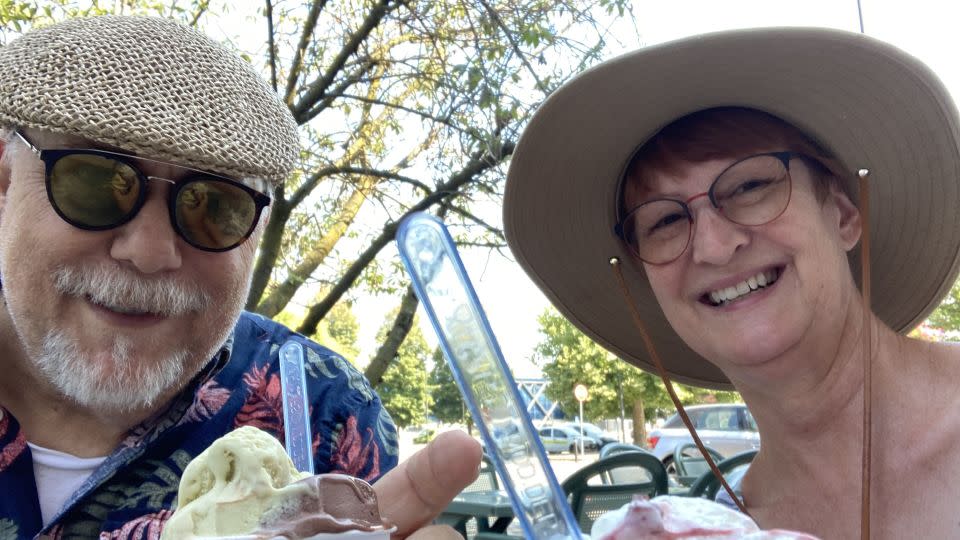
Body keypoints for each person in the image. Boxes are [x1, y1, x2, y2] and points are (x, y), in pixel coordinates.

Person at [0, 16, 479, 539]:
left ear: (258, 229)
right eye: (94, 181)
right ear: (4, 181)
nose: (150, 251)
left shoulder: (328, 412)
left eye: (214, 204)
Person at [503, 27, 960, 540]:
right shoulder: (717, 525)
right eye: (664, 222)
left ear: (843, 214)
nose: (715, 246)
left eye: (750, 186)